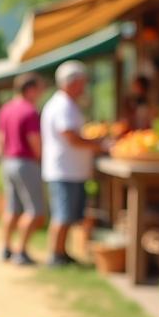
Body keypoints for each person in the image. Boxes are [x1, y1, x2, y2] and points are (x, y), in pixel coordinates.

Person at [41, 60, 104, 267]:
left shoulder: (64, 104)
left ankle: (61, 252)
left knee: (66, 215)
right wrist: (98, 145)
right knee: (62, 214)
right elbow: (71, 137)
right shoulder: (63, 105)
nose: (83, 87)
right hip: (64, 170)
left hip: (68, 169)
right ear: (72, 82)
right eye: (82, 82)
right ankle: (55, 255)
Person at [0, 72, 46, 265]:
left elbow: (0, 139)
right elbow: (35, 141)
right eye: (39, 89)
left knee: (12, 209)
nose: (41, 93)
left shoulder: (5, 109)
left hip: (8, 161)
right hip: (25, 162)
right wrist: (41, 158)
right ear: (30, 89)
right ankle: (21, 252)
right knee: (34, 210)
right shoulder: (30, 111)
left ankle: (6, 248)